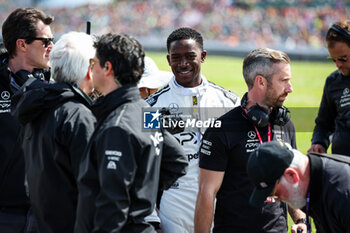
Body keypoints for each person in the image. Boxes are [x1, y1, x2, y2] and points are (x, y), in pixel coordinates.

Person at [76, 33, 187, 233]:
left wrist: (138, 196)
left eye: (95, 63)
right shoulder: (146, 112)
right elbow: (177, 161)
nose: (91, 69)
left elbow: (113, 207)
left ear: (107, 68)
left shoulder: (117, 125)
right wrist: (143, 191)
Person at [195, 48, 306, 233]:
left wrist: (300, 219)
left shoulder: (286, 125)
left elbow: (291, 183)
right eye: (284, 81)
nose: (290, 88)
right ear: (260, 81)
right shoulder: (221, 129)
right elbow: (206, 194)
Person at [145, 27, 240, 233]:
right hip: (172, 207)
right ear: (168, 60)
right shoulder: (151, 107)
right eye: (176, 58)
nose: (183, 64)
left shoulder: (229, 102)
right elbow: (144, 166)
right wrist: (152, 218)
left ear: (203, 56)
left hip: (221, 206)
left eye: (190, 56)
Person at [11, 31, 96, 233]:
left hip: (39, 221)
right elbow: (91, 185)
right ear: (89, 70)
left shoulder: (38, 106)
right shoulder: (77, 115)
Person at [0, 8, 53, 233]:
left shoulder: (56, 86)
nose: (52, 46)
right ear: (22, 44)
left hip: (45, 212)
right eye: (46, 41)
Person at [247, 140, 350, 233]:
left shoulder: (342, 191)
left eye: (275, 193)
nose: (277, 200)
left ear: (292, 175)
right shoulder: (314, 185)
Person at [308, 20, 350, 156]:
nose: (338, 64)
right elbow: (324, 123)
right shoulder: (333, 81)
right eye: (333, 59)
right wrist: (318, 142)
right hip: (343, 167)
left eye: (343, 58)